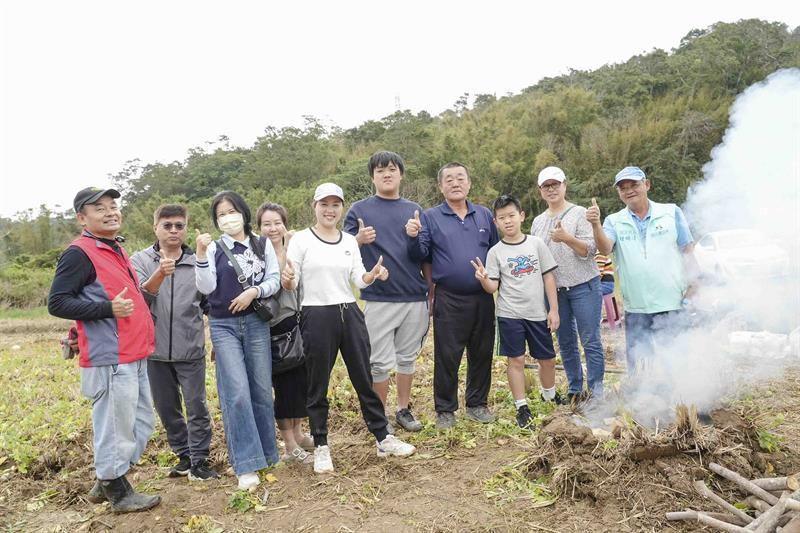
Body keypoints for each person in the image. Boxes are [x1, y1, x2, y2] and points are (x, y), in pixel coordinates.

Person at [282, 182, 416, 474]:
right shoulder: (301, 240)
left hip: (350, 313)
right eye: (324, 204)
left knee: (364, 378)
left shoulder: (348, 241)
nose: (330, 210)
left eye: (335, 205)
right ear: (314, 206)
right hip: (316, 315)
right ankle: (321, 445)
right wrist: (288, 278)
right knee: (317, 383)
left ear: (342, 208)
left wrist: (374, 274)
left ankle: (382, 437)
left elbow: (359, 279)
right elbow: (292, 282)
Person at [48, 187, 160, 512]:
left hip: (134, 351)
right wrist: (107, 309)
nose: (111, 212)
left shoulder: (114, 248)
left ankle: (106, 477)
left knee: (141, 423)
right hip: (110, 355)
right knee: (114, 424)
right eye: (100, 208)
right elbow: (57, 302)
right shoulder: (79, 253)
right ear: (82, 217)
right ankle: (117, 490)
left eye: (113, 206)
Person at [195, 191, 280, 491]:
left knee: (259, 389)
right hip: (224, 325)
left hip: (256, 323)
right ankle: (245, 463)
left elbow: (275, 279)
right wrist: (201, 256)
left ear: (243, 213)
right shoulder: (215, 248)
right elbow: (206, 287)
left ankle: (267, 454)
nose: (227, 218)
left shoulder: (262, 243)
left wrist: (253, 292)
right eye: (221, 214)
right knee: (237, 393)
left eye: (231, 211)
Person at [406, 162, 499, 429]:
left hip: (482, 296)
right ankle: (445, 410)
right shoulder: (430, 216)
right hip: (449, 296)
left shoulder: (483, 215)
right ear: (441, 186)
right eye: (449, 179)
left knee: (481, 353)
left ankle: (477, 404)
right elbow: (419, 254)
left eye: (460, 178)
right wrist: (412, 237)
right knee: (447, 355)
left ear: (469, 183)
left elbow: (495, 253)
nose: (455, 183)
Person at [130, 204, 218, 481]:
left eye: (179, 225)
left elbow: (210, 305)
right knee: (167, 409)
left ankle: (200, 460)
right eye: (167, 225)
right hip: (153, 350)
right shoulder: (140, 261)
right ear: (155, 227)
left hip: (190, 348)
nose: (173, 230)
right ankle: (184, 455)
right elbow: (138, 301)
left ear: (186, 229)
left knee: (196, 406)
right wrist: (159, 274)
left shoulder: (198, 261)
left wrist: (216, 338)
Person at [343, 151, 429, 433]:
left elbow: (422, 254)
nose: (387, 174)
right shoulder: (359, 210)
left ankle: (403, 409)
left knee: (407, 358)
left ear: (401, 174)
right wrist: (358, 239)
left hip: (413, 296)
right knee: (378, 362)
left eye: (392, 169)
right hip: (378, 298)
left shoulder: (414, 209)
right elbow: (341, 250)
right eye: (380, 171)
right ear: (372, 177)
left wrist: (415, 237)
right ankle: (379, 418)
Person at [586, 166, 698, 371]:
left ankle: (680, 399)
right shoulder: (614, 220)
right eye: (623, 188)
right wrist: (595, 225)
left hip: (671, 301)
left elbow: (688, 249)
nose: (629, 190)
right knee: (641, 364)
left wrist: (694, 284)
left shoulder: (671, 212)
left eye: (634, 185)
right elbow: (604, 248)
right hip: (637, 306)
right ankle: (645, 401)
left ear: (646, 185)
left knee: (676, 360)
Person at [471, 195, 562, 428]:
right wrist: (483, 279)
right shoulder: (495, 252)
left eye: (511, 215)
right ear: (496, 222)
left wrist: (554, 309)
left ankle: (549, 394)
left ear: (521, 216)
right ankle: (521, 406)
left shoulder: (536, 244)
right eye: (502, 218)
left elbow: (548, 277)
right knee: (516, 359)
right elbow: (493, 286)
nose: (508, 221)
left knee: (548, 359)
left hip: (537, 313)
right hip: (509, 313)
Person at [531, 166, 604, 403]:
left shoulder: (580, 213)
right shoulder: (538, 222)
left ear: (565, 185)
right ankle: (575, 388)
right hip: (555, 292)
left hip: (584, 285)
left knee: (590, 339)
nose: (551, 189)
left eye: (555, 184)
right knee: (565, 341)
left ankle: (596, 392)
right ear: (540, 190)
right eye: (546, 186)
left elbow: (589, 251)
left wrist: (567, 239)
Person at [256, 202, 314, 464]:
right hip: (273, 328)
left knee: (300, 384)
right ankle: (289, 445)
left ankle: (300, 434)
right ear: (258, 228)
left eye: (277, 222)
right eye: (266, 224)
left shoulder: (294, 248)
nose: (272, 228)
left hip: (297, 323)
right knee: (284, 387)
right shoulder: (256, 256)